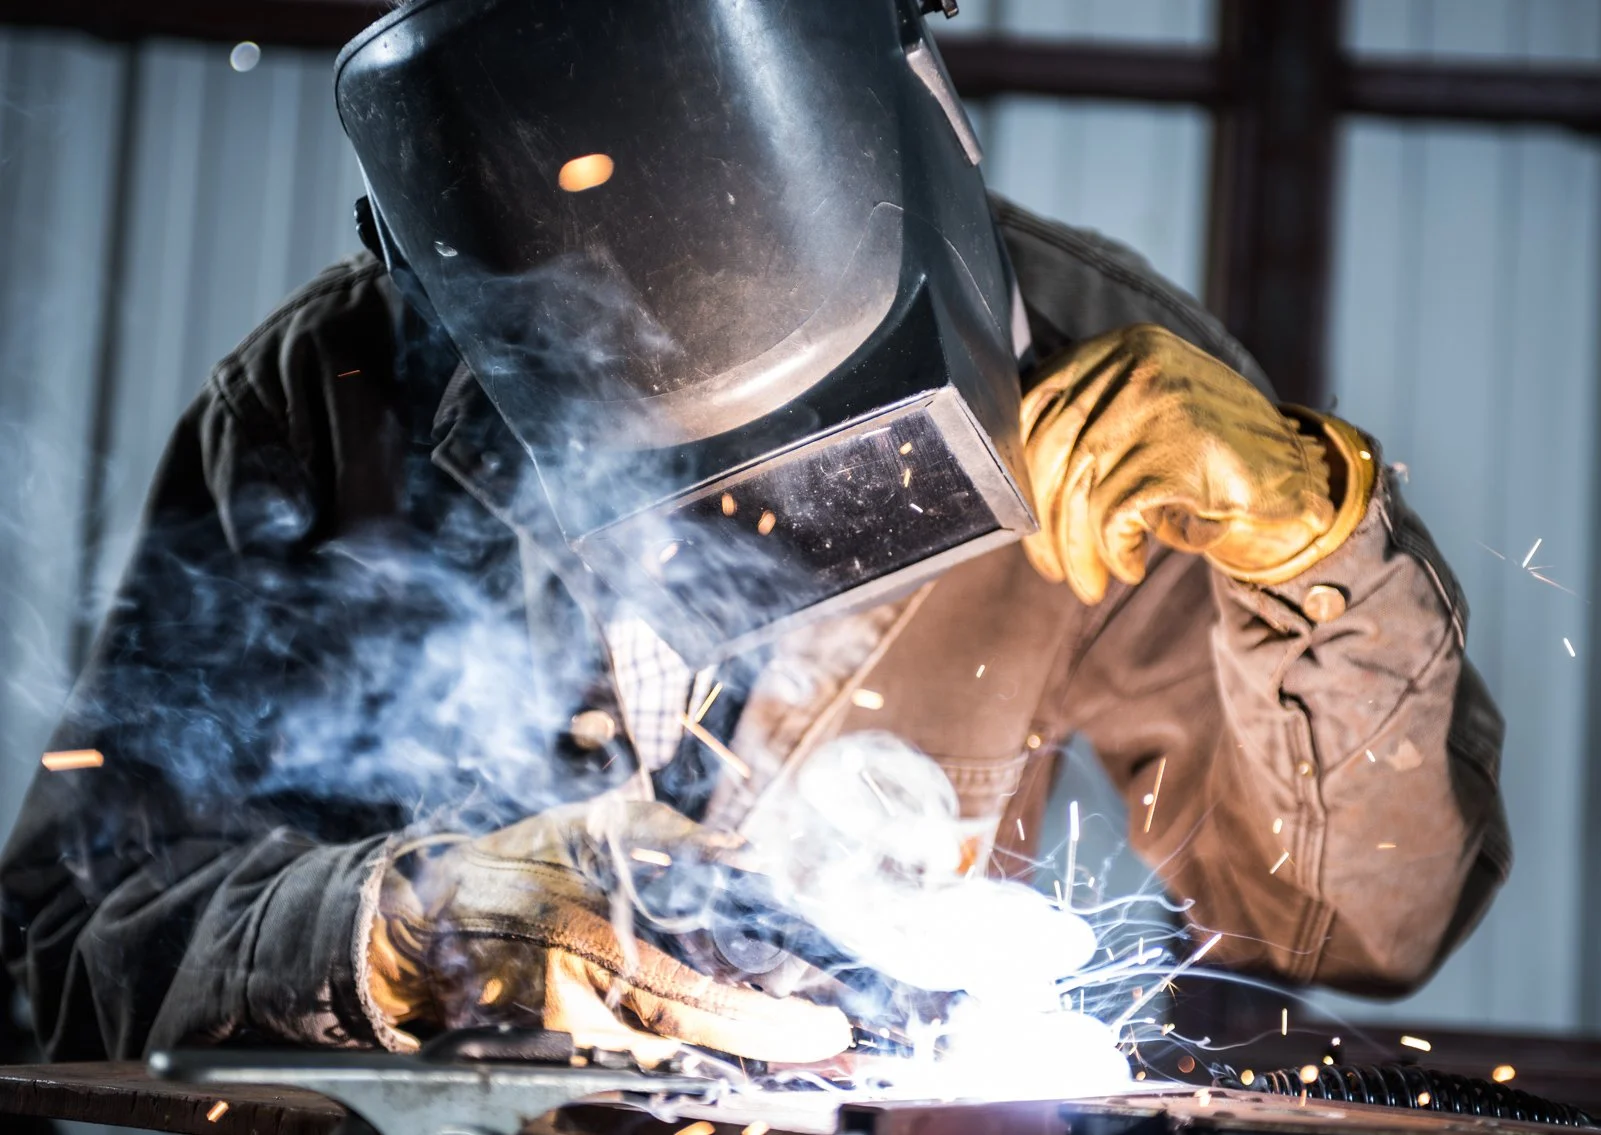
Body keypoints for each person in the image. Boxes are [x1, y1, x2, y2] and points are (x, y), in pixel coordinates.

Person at [0, 0, 1507, 1064]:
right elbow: (59, 940)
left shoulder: (1099, 373)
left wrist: (1316, 549)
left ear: (913, 114)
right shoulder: (331, 401)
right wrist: (399, 928)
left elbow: (1353, 932)